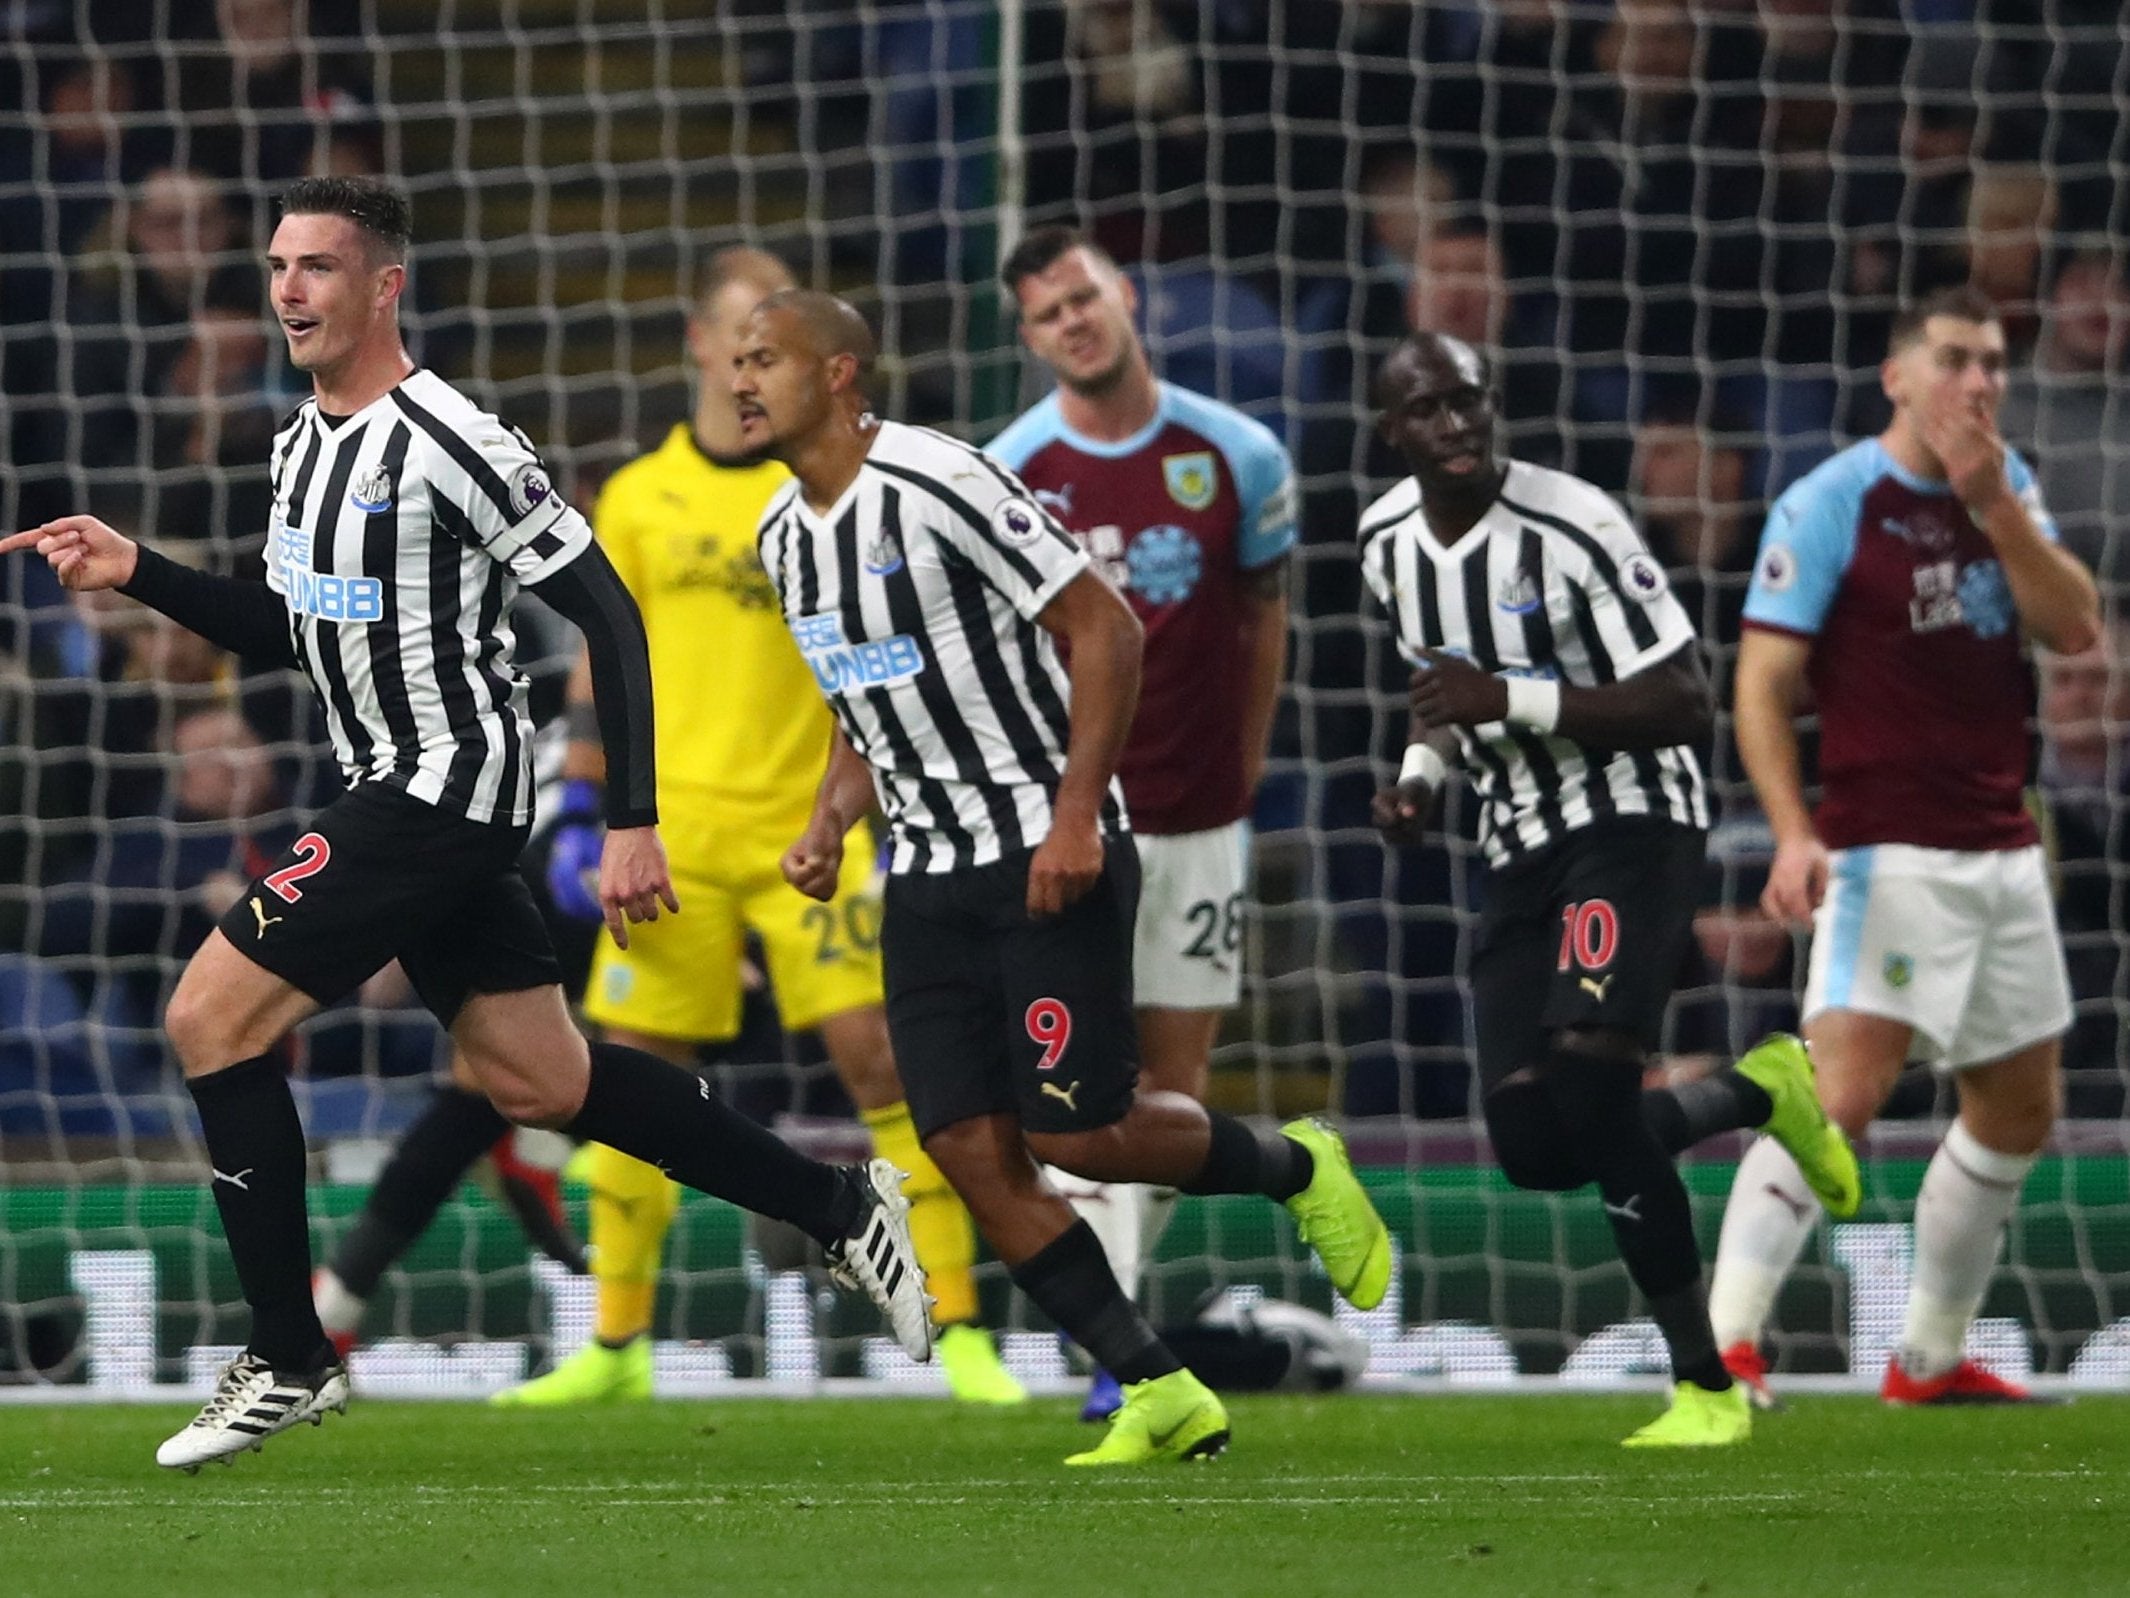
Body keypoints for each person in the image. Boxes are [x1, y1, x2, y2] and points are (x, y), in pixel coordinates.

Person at [1, 176, 929, 1472]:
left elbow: (611, 612)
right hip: (388, 781)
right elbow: (290, 631)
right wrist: (134, 568)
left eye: (317, 267)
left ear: (384, 286)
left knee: (209, 1016)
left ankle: (287, 1353)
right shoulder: (298, 444)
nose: (287, 291)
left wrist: (629, 820)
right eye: (276, 266)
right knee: (540, 1080)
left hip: (452, 783)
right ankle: (835, 1204)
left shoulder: (455, 439)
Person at [317, 246, 1023, 1407]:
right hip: (670, 833)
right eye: (742, 338)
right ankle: (616, 1339)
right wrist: (587, 801)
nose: (756, 365)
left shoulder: (825, 487)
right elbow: (602, 660)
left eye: (779, 343)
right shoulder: (641, 494)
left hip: (810, 825)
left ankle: (957, 1326)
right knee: (630, 1069)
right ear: (699, 343)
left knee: (884, 1054)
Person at [735, 287, 1391, 1465]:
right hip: (924, 877)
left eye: (766, 358)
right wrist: (832, 817)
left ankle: (1299, 1164)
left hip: (1042, 848)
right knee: (966, 1145)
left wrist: (1077, 814)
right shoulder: (780, 536)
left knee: (1079, 1134)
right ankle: (1157, 1385)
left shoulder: (945, 479)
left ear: (840, 374)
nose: (741, 380)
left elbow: (1107, 629)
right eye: (735, 361)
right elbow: (862, 696)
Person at [1362, 331, 1859, 1449]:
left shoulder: (1574, 521)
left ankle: (1707, 1382)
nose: (1456, 426)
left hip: (1632, 820)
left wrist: (1514, 699)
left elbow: (1683, 699)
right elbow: (1442, 694)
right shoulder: (1385, 539)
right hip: (1517, 840)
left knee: (1593, 1083)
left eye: (1470, 402)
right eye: (1428, 409)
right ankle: (1759, 1089)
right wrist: (1416, 780)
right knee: (1536, 1145)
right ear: (1389, 432)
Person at [1706, 286, 2101, 1407]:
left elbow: (2074, 626)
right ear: (1899, 376)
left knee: (2019, 1104)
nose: (1979, 381)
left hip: (2003, 848)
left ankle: (1928, 1355)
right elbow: (1763, 683)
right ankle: (1726, 1345)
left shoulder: (2006, 486)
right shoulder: (1832, 501)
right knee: (1839, 1092)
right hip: (1886, 851)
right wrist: (1793, 831)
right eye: (1955, 358)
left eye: (1993, 362)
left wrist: (1997, 508)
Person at [988, 225, 1293, 1418]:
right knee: (1075, 1099)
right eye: (1048, 313)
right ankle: (1121, 1348)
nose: (1073, 320)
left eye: (1084, 297)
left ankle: (1121, 1353)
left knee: (1169, 1087)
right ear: (1029, 339)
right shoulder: (1012, 469)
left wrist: (1250, 756)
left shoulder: (1240, 452)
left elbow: (1264, 612)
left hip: (1203, 820)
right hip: (1077, 825)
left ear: (1123, 297)